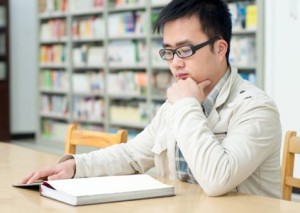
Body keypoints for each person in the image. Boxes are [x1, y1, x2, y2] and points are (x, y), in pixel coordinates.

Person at [20, 0, 282, 198]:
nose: (175, 64)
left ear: (220, 48)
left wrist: (186, 106)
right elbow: (133, 154)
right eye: (169, 52)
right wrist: (75, 166)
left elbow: (217, 179)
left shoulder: (256, 108)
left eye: (185, 50)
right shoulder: (179, 102)